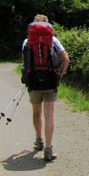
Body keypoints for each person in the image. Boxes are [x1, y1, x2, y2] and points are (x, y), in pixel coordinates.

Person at [22, 14, 69, 162]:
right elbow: (66, 59)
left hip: (34, 82)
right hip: (50, 81)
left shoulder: (27, 41)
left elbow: (25, 63)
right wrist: (60, 74)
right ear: (48, 26)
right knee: (49, 115)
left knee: (37, 113)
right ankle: (48, 149)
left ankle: (39, 140)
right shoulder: (53, 40)